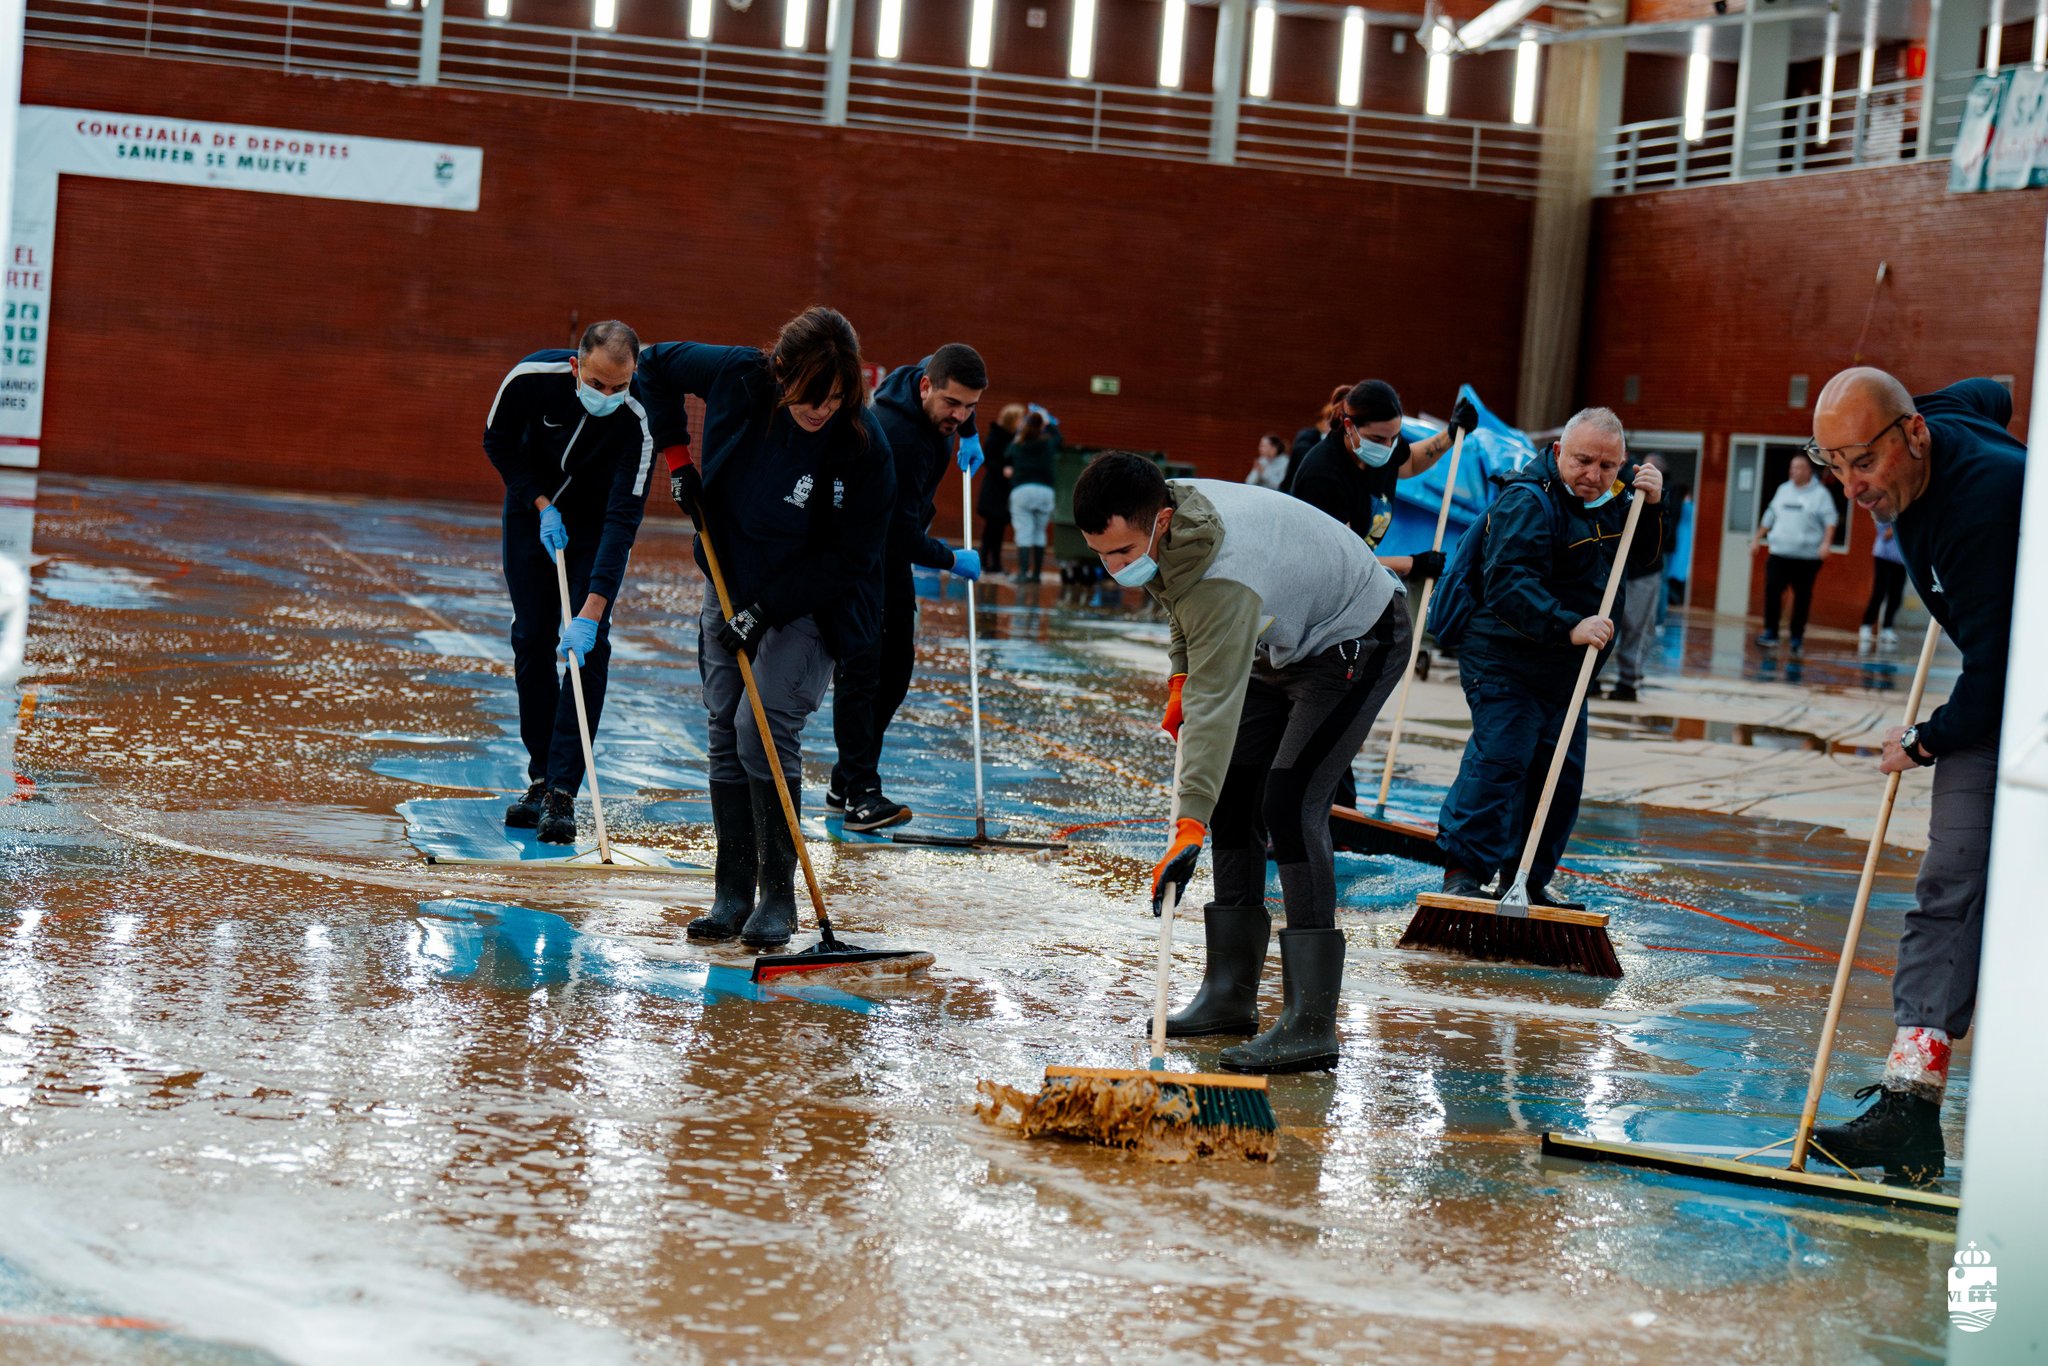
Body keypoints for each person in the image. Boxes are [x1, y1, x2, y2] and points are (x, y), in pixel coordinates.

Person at [1073, 453, 1412, 1074]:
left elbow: (1215, 708)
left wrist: (1186, 828)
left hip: (1358, 635)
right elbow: (1179, 605)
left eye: (1122, 552)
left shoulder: (1226, 575)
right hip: (1281, 633)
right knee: (1233, 794)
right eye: (1102, 554)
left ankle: (1312, 1024)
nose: (1115, 567)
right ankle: (1229, 995)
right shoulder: (1165, 515)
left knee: (1288, 800)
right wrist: (1180, 675)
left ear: (1162, 521)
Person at [1805, 370, 2023, 1181]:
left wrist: (1925, 741)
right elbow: (1995, 390)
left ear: (1913, 439)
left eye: (1863, 464)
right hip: (2003, 681)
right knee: (1948, 887)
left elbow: (1999, 678)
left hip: (2022, 688)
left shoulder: (1983, 510)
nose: (1851, 487)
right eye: (1834, 465)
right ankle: (1909, 1108)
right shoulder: (1934, 416)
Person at [638, 308, 895, 950]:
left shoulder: (865, 448)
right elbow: (652, 364)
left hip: (814, 599)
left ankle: (778, 898)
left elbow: (852, 559)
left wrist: (764, 611)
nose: (821, 410)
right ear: (781, 373)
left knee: (766, 723)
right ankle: (732, 894)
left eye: (836, 398)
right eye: (810, 396)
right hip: (729, 577)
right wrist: (677, 463)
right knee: (725, 723)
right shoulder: (739, 375)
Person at [1433, 408, 1664, 901]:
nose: (1594, 475)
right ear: (1560, 452)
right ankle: (1462, 875)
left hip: (1567, 670)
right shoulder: (1528, 501)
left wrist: (1653, 505)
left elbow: (1641, 557)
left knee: (1559, 776)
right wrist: (1569, 625)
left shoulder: (1612, 501)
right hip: (1504, 657)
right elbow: (1509, 583)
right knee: (1502, 758)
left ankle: (1527, 881)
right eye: (1584, 461)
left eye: (1608, 466)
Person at [483, 321, 655, 846]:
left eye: (618, 387)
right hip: (535, 513)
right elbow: (498, 442)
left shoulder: (639, 422)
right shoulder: (531, 378)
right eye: (597, 383)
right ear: (577, 367)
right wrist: (539, 503)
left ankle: (563, 792)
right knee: (532, 637)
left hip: (596, 529)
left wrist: (592, 611)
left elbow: (624, 520)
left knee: (587, 650)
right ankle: (539, 779)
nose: (606, 396)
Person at [1288, 379, 1476, 825]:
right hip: (1318, 606)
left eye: (1393, 437)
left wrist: (1451, 434)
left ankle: (1335, 810)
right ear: (1348, 426)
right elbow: (1341, 558)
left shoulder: (1383, 452)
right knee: (1325, 706)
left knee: (1342, 709)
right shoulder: (1322, 473)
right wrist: (1411, 564)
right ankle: (1318, 810)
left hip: (1353, 599)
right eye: (1378, 439)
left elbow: (1410, 462)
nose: (1388, 447)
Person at [827, 345, 987, 831]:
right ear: (926, 388)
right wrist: (950, 558)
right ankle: (859, 794)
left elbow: (943, 385)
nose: (958, 416)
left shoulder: (922, 389)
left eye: (971, 407)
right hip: (861, 556)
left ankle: (845, 779)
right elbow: (896, 531)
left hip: (891, 557)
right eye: (952, 405)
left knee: (896, 668)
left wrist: (970, 433)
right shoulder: (901, 439)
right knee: (864, 670)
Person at [1609, 454, 1680, 704]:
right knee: (1600, 624)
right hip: (1607, 566)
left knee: (1636, 626)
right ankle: (1593, 678)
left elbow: (1663, 528)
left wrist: (1654, 500)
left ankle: (1629, 681)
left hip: (1643, 568)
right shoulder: (1593, 482)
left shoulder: (1637, 481)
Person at [1751, 452, 1838, 653]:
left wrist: (1826, 543)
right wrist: (1757, 538)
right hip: (1779, 553)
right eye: (1791, 468)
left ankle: (1796, 636)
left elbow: (1830, 520)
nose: (1793, 471)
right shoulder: (1783, 490)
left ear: (1808, 471)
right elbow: (1770, 516)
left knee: (1802, 596)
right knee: (1772, 590)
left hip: (1806, 557)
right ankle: (1770, 632)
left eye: (1798, 467)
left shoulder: (1820, 494)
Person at [1004, 406, 1061, 583]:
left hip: (1022, 490)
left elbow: (1007, 454)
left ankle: (1022, 573)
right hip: (1045, 490)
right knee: (1039, 532)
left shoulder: (1019, 444)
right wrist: (1049, 423)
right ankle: (1036, 574)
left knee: (1023, 531)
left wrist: (1019, 433)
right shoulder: (1047, 444)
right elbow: (1059, 439)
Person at [977, 403, 1021, 575]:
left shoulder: (1015, 438)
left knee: (998, 528)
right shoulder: (997, 436)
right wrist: (1003, 469)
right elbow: (989, 460)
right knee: (992, 528)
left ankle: (994, 563)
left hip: (1003, 490)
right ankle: (987, 562)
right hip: (995, 489)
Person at [1860, 511, 1906, 654]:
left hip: (1902, 559)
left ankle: (1887, 628)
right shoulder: (1889, 510)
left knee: (1896, 595)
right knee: (1879, 592)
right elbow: (1884, 534)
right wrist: (1900, 526)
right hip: (1884, 556)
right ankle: (1866, 626)